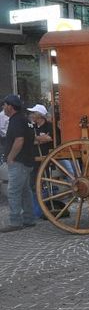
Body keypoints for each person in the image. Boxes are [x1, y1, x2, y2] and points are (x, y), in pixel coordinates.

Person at [0, 95, 36, 232]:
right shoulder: (25, 120)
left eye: (4, 105)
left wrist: (10, 157)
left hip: (18, 161)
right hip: (27, 160)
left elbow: (19, 140)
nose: (3, 107)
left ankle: (15, 221)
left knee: (13, 191)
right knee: (25, 191)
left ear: (10, 106)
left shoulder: (16, 121)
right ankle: (29, 218)